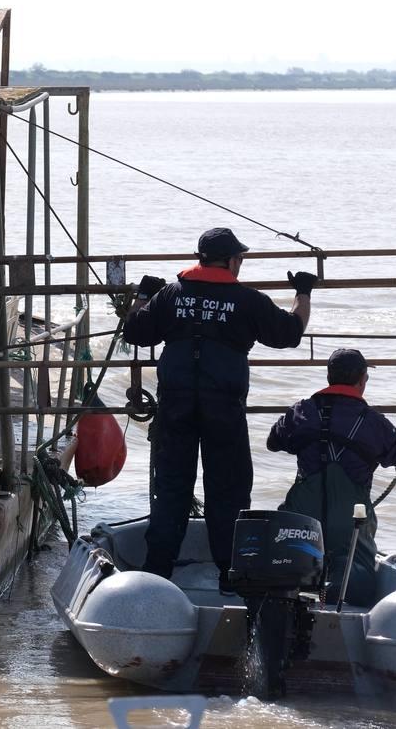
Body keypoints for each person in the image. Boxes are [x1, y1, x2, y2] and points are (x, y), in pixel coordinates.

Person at [123, 228, 317, 588]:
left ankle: (155, 575)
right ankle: (232, 577)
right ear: (231, 261)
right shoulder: (246, 300)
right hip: (224, 409)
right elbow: (290, 333)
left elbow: (134, 331)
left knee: (170, 489)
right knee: (227, 491)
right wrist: (303, 292)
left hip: (175, 407)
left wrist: (143, 294)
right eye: (239, 259)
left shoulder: (170, 294)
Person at [266, 348, 396, 606]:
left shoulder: (302, 411)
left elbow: (273, 442)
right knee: (356, 579)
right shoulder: (374, 423)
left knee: (291, 566)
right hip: (349, 526)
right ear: (363, 380)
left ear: (328, 376)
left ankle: (301, 592)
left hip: (302, 521)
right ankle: (333, 593)